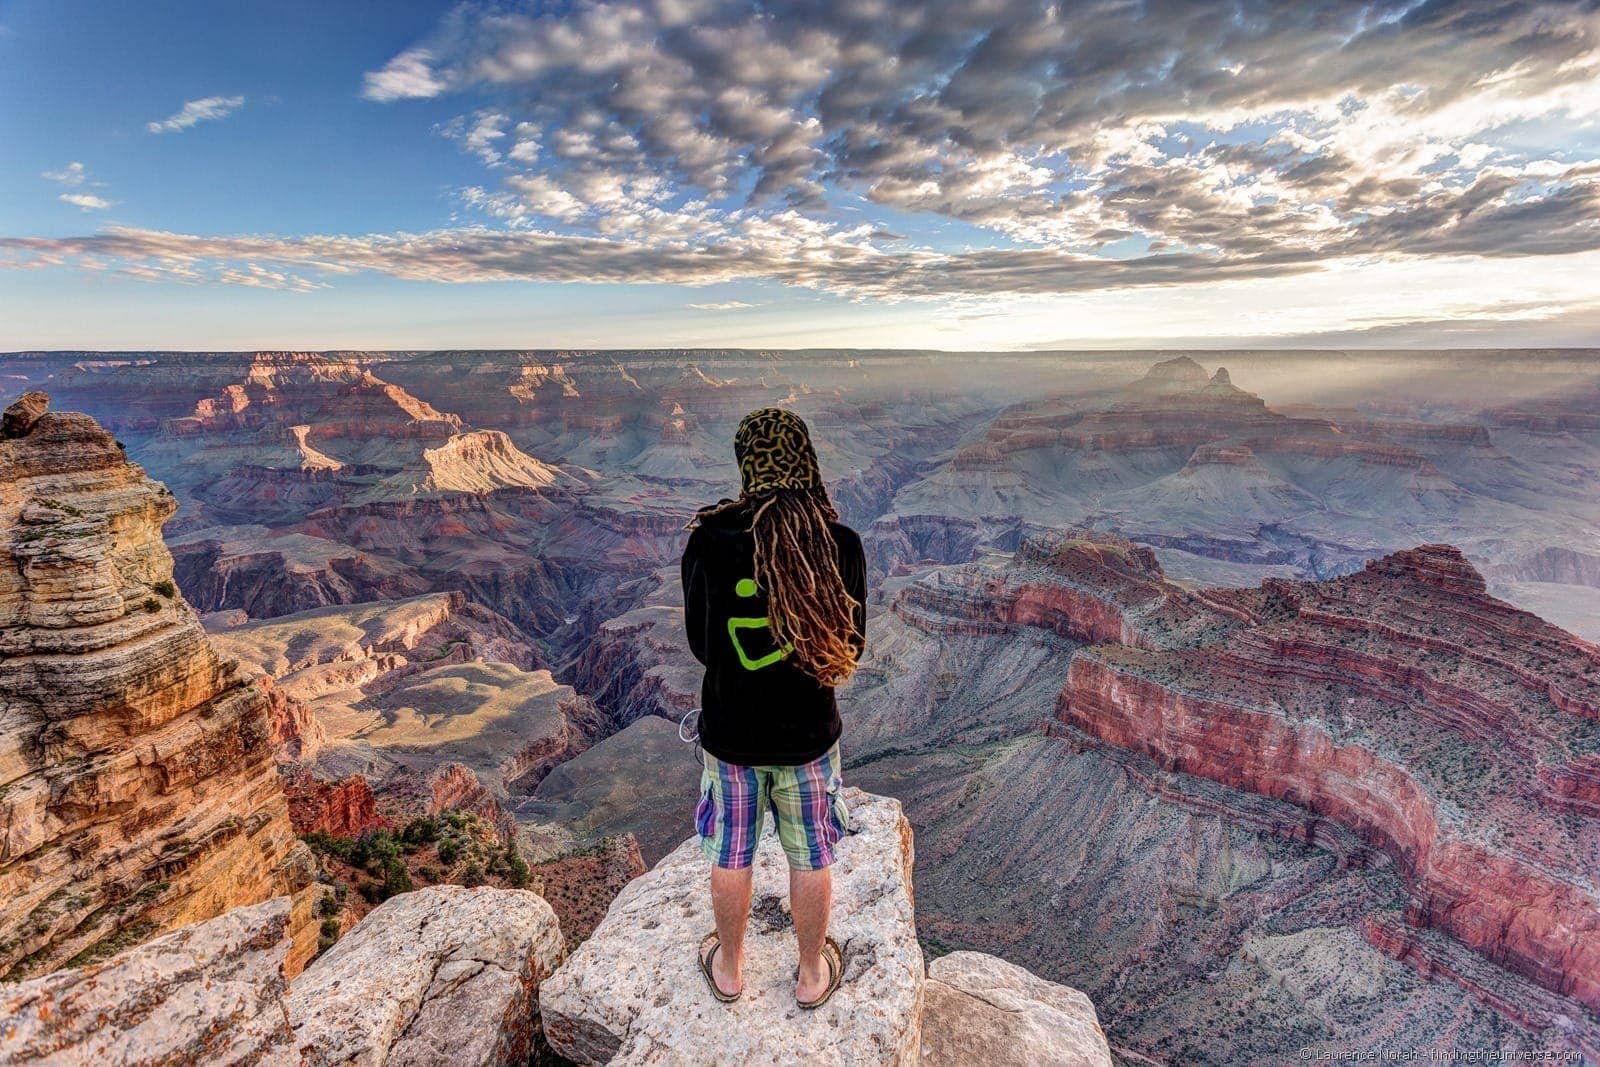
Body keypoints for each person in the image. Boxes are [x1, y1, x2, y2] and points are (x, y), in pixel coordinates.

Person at [680, 406, 868, 1009]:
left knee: (731, 852)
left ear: (746, 468)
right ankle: (811, 975)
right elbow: (851, 645)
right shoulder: (838, 544)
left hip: (731, 736)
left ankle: (730, 969)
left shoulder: (710, 540)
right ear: (806, 460)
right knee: (810, 853)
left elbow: (702, 645)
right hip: (808, 738)